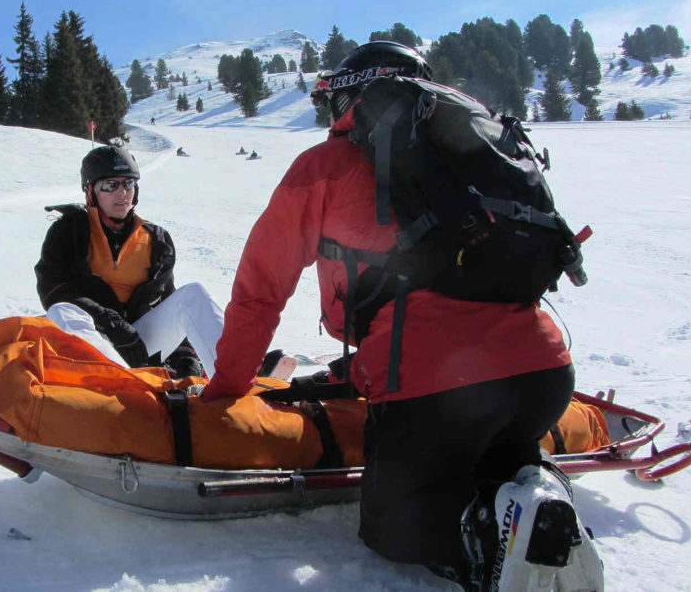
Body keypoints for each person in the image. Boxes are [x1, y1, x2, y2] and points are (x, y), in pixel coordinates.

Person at [200, 42, 601, 590]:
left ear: (352, 95)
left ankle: (486, 549)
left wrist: (224, 391)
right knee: (495, 460)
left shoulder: (323, 166)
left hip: (434, 388)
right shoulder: (471, 159)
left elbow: (259, 293)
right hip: (544, 375)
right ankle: (536, 495)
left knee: (393, 529)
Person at [35, 144, 223, 378]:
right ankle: (124, 385)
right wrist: (110, 324)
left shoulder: (156, 240)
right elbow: (52, 290)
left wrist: (186, 355)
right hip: (91, 338)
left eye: (128, 183)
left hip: (136, 345)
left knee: (194, 294)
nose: (122, 193)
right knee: (63, 310)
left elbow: (167, 300)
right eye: (110, 185)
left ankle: (230, 380)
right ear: (90, 191)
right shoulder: (69, 230)